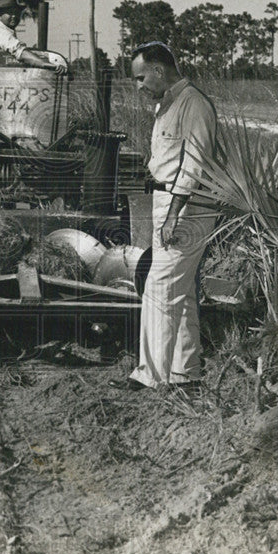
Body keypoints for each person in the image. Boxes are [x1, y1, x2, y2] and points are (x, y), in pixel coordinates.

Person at [110, 41, 222, 394]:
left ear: (159, 70)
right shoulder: (166, 106)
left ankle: (149, 376)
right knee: (181, 291)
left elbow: (194, 166)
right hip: (168, 202)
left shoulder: (195, 105)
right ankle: (185, 373)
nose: (139, 86)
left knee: (159, 288)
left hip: (189, 208)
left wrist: (174, 215)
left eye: (141, 78)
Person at [0, 0, 67, 73]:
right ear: (0, 15)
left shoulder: (5, 31)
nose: (14, 16)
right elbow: (21, 53)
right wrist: (48, 65)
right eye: (9, 12)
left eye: (16, 12)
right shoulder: (2, 34)